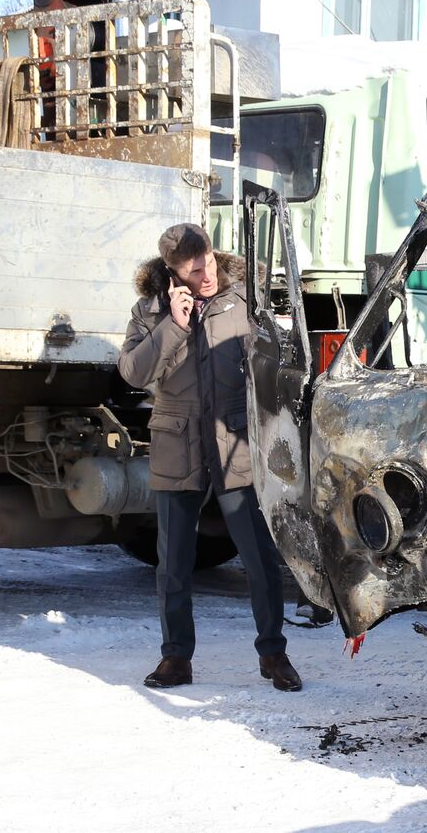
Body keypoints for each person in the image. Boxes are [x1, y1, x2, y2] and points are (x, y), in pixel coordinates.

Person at [118, 223, 302, 692]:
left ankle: (274, 655)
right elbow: (135, 374)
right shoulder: (149, 312)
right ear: (173, 270)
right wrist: (172, 328)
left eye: (211, 263)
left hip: (234, 440)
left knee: (259, 558)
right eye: (195, 268)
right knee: (173, 563)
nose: (207, 273)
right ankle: (175, 659)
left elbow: (274, 361)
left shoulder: (242, 302)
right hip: (178, 445)